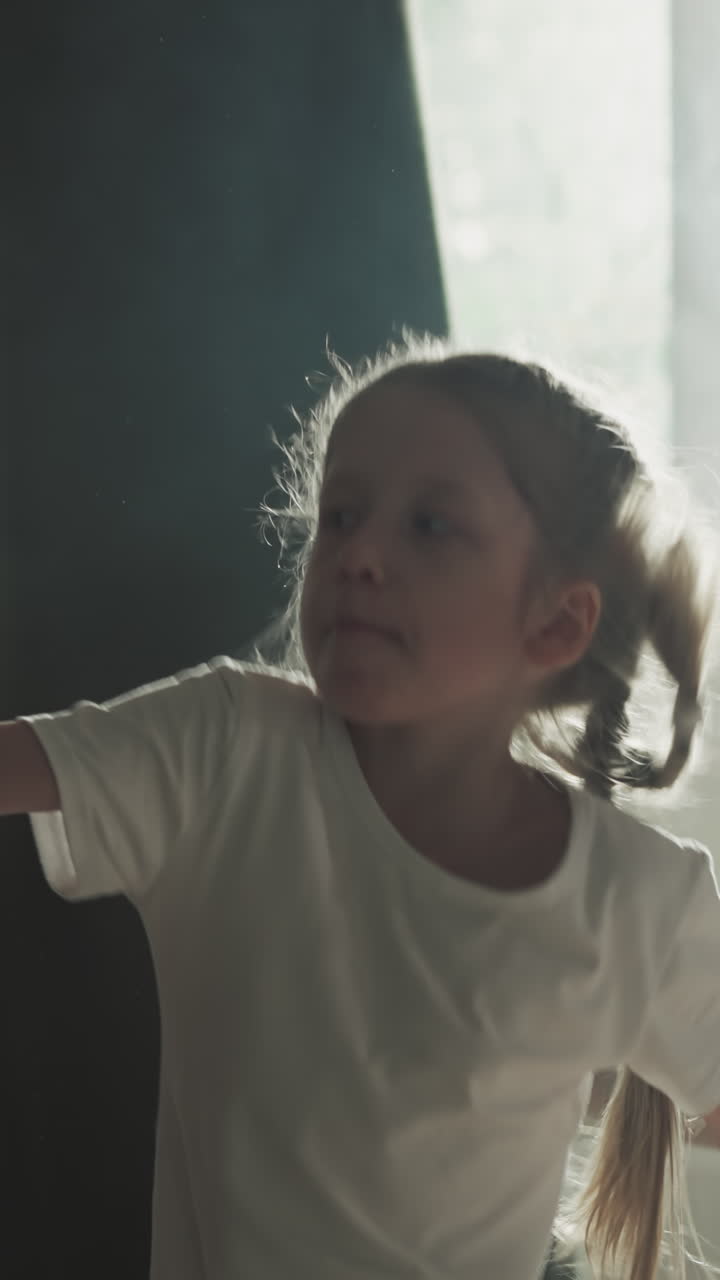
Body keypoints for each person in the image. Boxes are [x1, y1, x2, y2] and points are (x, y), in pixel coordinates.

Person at [2, 335, 720, 1280]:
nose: (358, 554)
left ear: (556, 620)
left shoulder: (645, 902)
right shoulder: (225, 752)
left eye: (430, 526)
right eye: (338, 516)